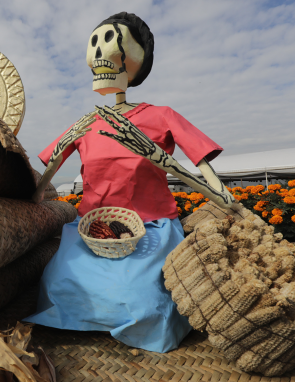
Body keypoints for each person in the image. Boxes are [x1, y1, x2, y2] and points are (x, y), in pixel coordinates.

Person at [25, 12, 235, 353]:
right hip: (89, 232)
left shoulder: (161, 115)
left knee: (143, 301)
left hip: (150, 231)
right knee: (57, 283)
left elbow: (200, 162)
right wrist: (35, 192)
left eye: (110, 41)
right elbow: (48, 171)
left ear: (138, 57)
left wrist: (222, 195)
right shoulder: (87, 123)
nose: (99, 52)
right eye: (95, 43)